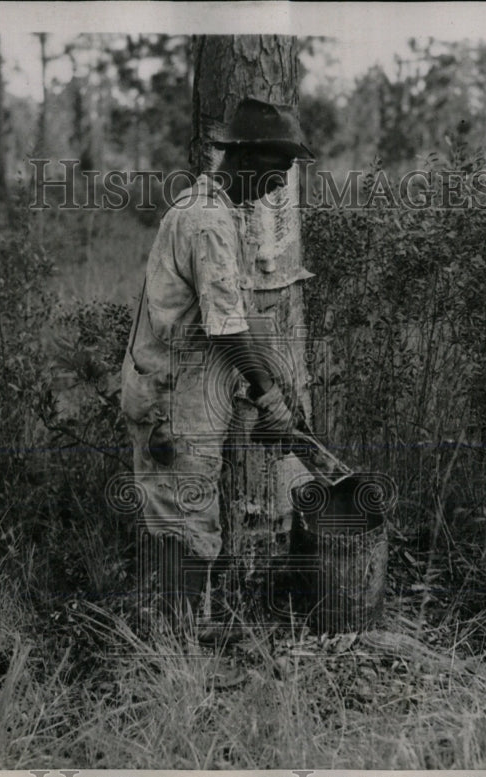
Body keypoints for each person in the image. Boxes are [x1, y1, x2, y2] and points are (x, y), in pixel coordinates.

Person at [120, 97, 314, 632]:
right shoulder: (207, 221)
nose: (279, 185)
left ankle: (179, 635)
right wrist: (267, 393)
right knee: (180, 524)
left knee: (187, 519)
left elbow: (232, 315)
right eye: (277, 170)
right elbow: (226, 326)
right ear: (246, 160)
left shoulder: (220, 211)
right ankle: (169, 651)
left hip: (187, 387)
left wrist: (263, 386)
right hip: (171, 395)